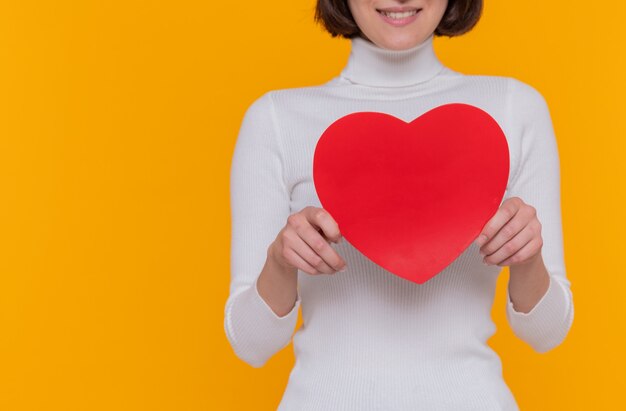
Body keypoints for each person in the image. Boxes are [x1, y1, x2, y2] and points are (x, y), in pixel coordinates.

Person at [224, 0, 575, 409]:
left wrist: (527, 259)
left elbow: (547, 334)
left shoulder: (514, 108)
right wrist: (281, 263)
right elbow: (251, 345)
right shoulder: (275, 120)